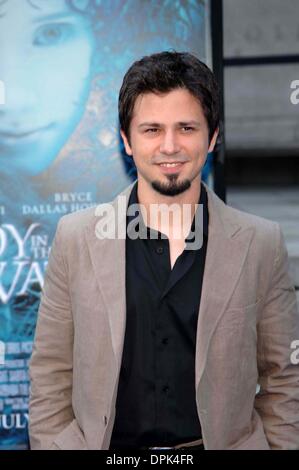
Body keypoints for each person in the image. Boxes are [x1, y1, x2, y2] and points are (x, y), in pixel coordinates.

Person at [28, 51, 299, 450]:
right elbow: (51, 372)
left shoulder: (261, 244)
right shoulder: (76, 238)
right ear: (126, 139)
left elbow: (283, 377)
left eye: (186, 127)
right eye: (152, 129)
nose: (169, 146)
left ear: (213, 137)